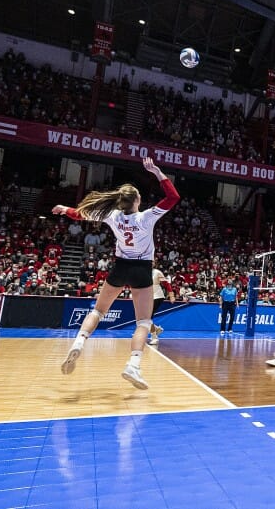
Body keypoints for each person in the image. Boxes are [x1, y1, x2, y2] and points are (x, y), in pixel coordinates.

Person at [52, 157, 180, 389]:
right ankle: (133, 365)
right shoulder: (146, 217)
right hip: (142, 270)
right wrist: (157, 172)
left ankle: (79, 342)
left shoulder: (112, 215)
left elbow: (80, 215)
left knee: (99, 311)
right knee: (143, 322)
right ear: (137, 200)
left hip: (120, 267)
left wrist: (64, 209)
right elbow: (173, 197)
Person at [148, 262, 171, 346]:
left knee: (147, 318)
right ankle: (157, 329)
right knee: (144, 318)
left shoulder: (157, 272)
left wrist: (171, 295)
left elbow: (166, 284)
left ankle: (154, 338)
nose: (150, 263)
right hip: (148, 297)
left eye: (152, 262)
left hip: (157, 296)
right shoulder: (144, 272)